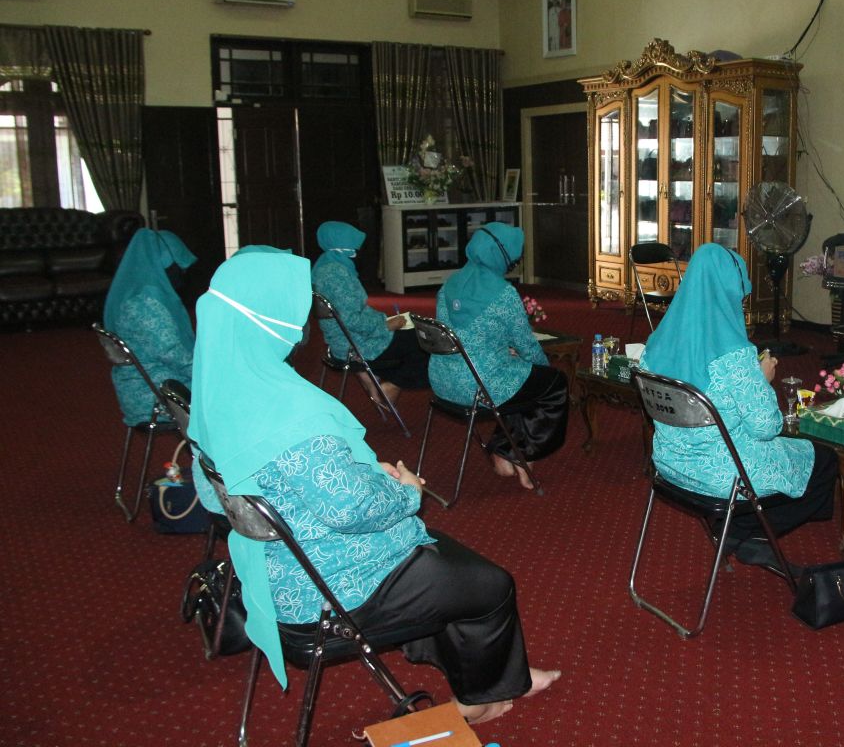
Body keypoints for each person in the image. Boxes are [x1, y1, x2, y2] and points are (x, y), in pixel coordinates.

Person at [189, 251, 560, 726]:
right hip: (330, 586)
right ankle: (482, 696)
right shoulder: (286, 408)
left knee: (450, 567)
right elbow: (349, 507)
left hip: (276, 569)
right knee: (490, 585)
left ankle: (498, 677)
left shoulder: (222, 388)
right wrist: (408, 491)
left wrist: (355, 472)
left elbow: (220, 492)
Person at [638, 243, 838, 572]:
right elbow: (766, 427)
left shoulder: (654, 345)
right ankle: (746, 532)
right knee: (823, 462)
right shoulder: (735, 354)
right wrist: (762, 377)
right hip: (721, 476)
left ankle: (738, 533)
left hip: (669, 465)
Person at [429, 223, 568, 490]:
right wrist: (543, 369)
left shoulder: (449, 285)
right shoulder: (503, 293)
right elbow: (526, 344)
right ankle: (517, 453)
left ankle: (503, 449)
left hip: (443, 381)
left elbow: (461, 335)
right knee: (551, 384)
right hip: (480, 386)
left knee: (519, 377)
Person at [311, 221, 429, 406]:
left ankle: (373, 379)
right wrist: (385, 324)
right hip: (354, 344)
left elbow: (349, 313)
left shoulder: (324, 266)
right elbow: (352, 319)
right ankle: (392, 386)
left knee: (409, 335)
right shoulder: (337, 273)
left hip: (341, 340)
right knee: (423, 341)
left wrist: (383, 319)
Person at [102, 228, 197, 425]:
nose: (182, 273)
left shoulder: (134, 292)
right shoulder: (145, 303)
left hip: (142, 387)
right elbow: (175, 355)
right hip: (159, 396)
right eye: (177, 266)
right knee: (243, 395)